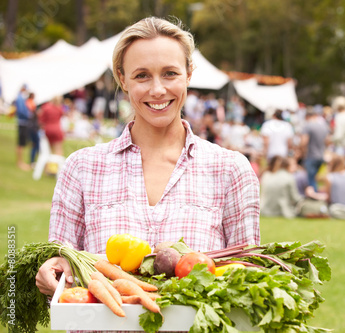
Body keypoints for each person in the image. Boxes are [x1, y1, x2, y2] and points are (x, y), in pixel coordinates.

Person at [35, 17, 260, 296]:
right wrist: (51, 278)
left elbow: (248, 279)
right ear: (122, 79)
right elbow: (60, 277)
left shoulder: (230, 170)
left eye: (170, 73)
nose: (157, 90)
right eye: (141, 75)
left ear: (189, 73)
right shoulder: (82, 168)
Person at [300, 107, 330, 191]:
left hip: (311, 155)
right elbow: (327, 141)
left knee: (311, 179)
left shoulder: (308, 126)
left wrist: (302, 153)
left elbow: (304, 142)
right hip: (321, 155)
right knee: (315, 177)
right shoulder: (323, 126)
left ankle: (314, 198)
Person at [14, 85, 31, 170]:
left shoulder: (21, 98)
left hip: (23, 123)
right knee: (21, 143)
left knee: (22, 143)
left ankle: (20, 161)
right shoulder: (20, 98)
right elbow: (21, 111)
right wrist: (29, 115)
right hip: (22, 123)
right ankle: (20, 162)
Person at [26, 92, 40, 166]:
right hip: (33, 129)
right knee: (35, 145)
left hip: (33, 128)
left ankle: (34, 161)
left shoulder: (31, 103)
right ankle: (32, 161)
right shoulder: (29, 103)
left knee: (36, 146)